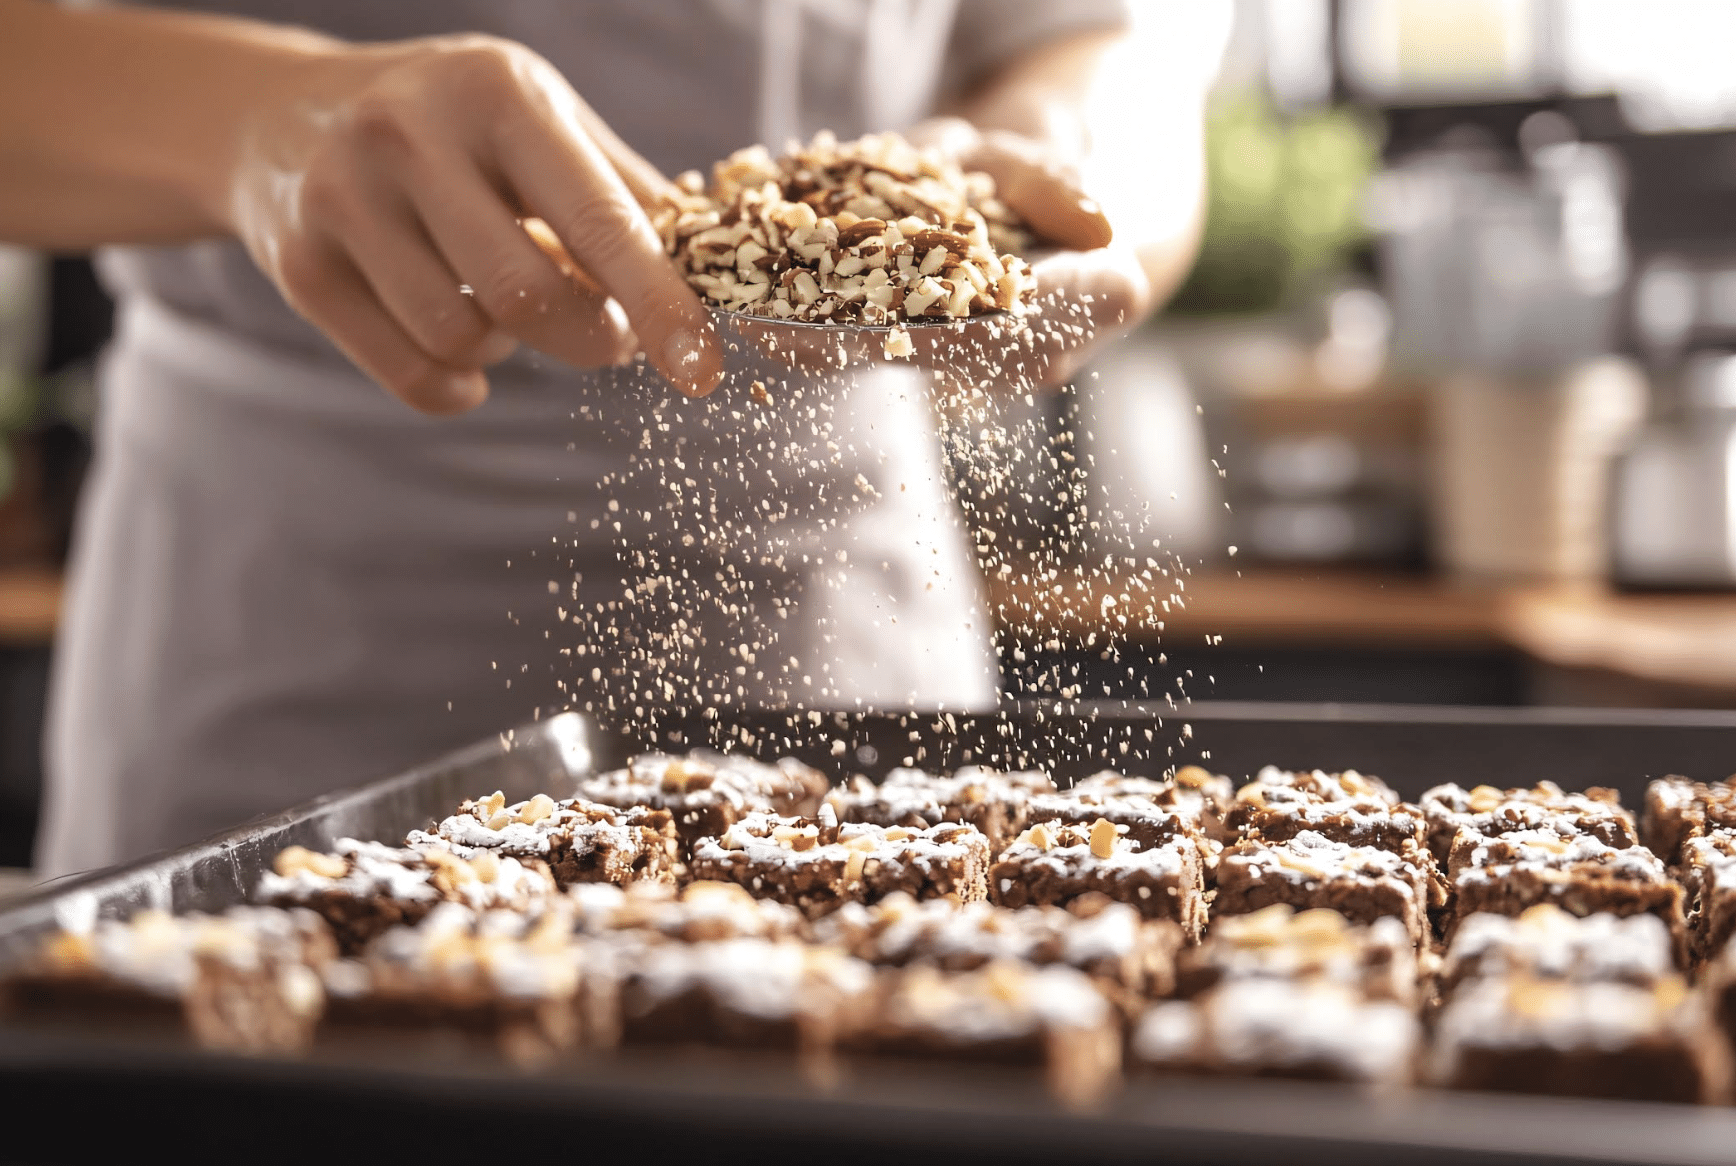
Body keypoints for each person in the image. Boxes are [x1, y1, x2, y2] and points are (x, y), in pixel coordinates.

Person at [0, 0, 1222, 875]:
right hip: (265, 631)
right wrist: (255, 119)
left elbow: (1111, 47)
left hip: (822, 608)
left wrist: (1040, 176)